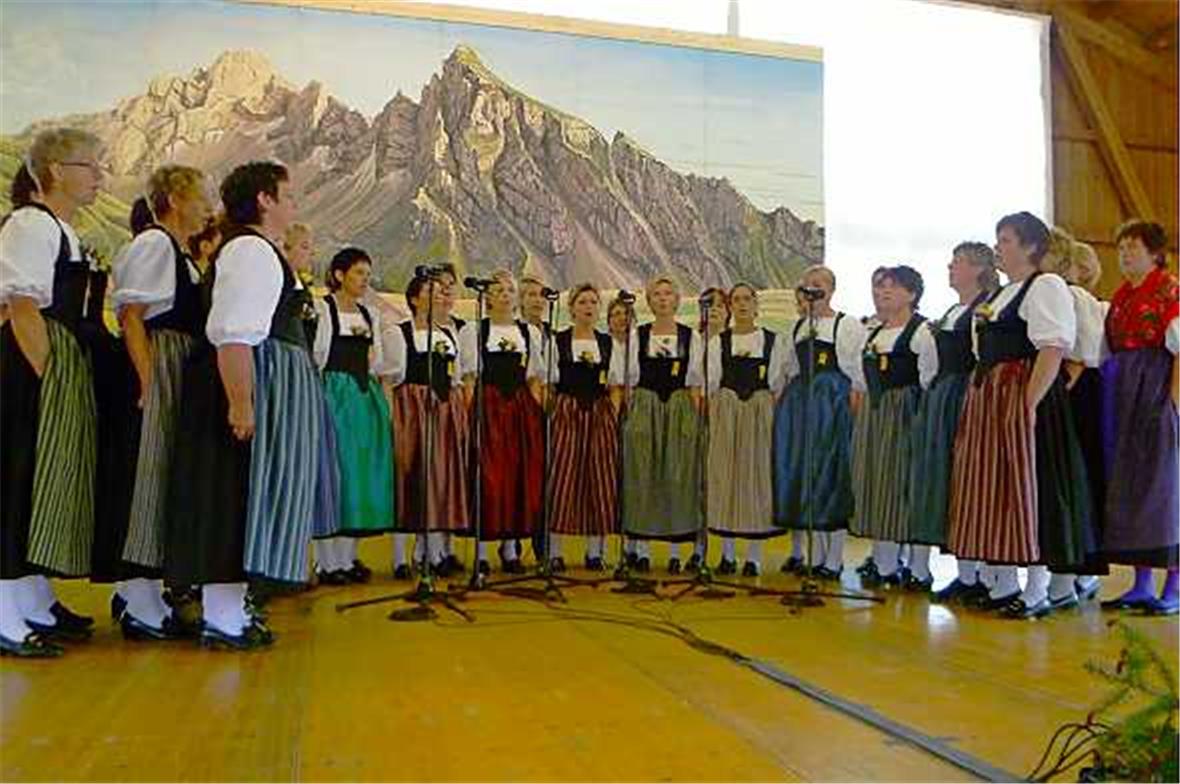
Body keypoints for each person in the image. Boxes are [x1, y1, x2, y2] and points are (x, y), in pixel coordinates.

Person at [165, 161, 321, 650]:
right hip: (250, 384)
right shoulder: (252, 251)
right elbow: (234, 334)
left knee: (241, 496)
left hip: (260, 383)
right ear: (264, 200)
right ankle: (224, 616)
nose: (294, 203)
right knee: (234, 495)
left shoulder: (256, 251)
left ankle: (230, 610)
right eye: (287, 195)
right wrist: (241, 404)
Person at [947, 211, 1096, 620]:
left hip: (1024, 395)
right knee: (996, 489)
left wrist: (1029, 404)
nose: (999, 247)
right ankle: (1005, 583)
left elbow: (1052, 349)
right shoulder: (999, 295)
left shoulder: (1044, 286)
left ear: (1031, 246)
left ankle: (1038, 590)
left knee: (1031, 488)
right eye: (998, 239)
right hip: (991, 396)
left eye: (1007, 240)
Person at [0, 128, 105, 656]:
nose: (99, 176)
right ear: (57, 171)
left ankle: (31, 598)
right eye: (90, 166)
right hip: (27, 363)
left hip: (49, 357)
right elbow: (21, 305)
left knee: (38, 479)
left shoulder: (60, 230)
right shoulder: (29, 224)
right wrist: (48, 375)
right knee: (15, 478)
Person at [107, 166, 211, 638]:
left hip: (176, 363)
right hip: (161, 360)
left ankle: (144, 593)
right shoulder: (154, 244)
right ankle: (137, 595)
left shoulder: (179, 252)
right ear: (173, 198)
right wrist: (149, 381)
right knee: (148, 472)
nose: (207, 206)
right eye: (200, 197)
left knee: (162, 472)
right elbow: (131, 316)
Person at [1100, 220, 1178, 616]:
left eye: (1133, 246)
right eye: (1122, 247)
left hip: (1157, 392)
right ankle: (1141, 583)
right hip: (1125, 393)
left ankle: (1174, 586)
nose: (1126, 253)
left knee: (1165, 487)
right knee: (1133, 486)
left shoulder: (1170, 290)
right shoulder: (1121, 296)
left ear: (1154, 252)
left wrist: (1172, 401)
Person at [773, 265, 864, 578]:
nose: (813, 287)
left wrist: (850, 414)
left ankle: (835, 559)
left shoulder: (846, 325)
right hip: (802, 408)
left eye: (819, 283)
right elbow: (787, 371)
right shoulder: (797, 328)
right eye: (808, 283)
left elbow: (856, 377)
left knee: (831, 477)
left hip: (832, 407)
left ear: (832, 288)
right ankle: (817, 557)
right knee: (807, 477)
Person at [849, 265, 937, 589]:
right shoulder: (870, 332)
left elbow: (929, 378)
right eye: (880, 287)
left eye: (892, 287)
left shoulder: (922, 332)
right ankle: (885, 563)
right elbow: (860, 380)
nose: (883, 292)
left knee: (908, 486)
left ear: (912, 294)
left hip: (906, 415)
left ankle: (919, 568)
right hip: (875, 415)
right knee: (877, 484)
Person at [311, 248, 395, 584]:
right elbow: (317, 356)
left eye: (368, 274)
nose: (365, 280)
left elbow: (376, 361)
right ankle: (327, 563)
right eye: (359, 272)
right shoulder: (323, 309)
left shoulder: (369, 314)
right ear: (339, 274)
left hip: (363, 396)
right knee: (336, 472)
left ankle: (348, 558)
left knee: (361, 474)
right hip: (335, 394)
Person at [384, 271, 470, 578]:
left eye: (441, 293)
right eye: (431, 293)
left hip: (445, 409)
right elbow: (391, 380)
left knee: (440, 479)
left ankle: (432, 553)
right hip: (414, 409)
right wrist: (393, 418)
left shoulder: (449, 334)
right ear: (414, 299)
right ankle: (400, 558)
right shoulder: (399, 333)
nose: (439, 298)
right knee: (411, 477)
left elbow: (457, 378)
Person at [459, 270, 544, 574]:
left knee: (517, 476)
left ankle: (510, 549)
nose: (505, 295)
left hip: (520, 409)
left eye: (510, 290)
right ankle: (482, 551)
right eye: (498, 290)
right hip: (489, 407)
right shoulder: (474, 331)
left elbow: (534, 378)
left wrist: (535, 411)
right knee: (489, 477)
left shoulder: (528, 333)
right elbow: (469, 378)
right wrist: (472, 415)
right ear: (487, 297)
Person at [620, 276, 704, 573]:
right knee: (643, 472)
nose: (663, 299)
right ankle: (640, 548)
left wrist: (696, 420)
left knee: (678, 474)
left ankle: (675, 551)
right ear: (649, 300)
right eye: (657, 294)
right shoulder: (637, 335)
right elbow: (629, 380)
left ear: (677, 300)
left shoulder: (691, 336)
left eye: (669, 293)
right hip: (645, 405)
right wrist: (631, 416)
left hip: (679, 407)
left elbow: (695, 383)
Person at [546, 283, 630, 571]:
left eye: (593, 302)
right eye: (582, 302)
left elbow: (617, 385)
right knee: (562, 478)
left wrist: (611, 414)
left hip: (599, 413)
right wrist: (556, 413)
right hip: (568, 413)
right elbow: (549, 384)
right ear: (571, 309)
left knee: (600, 480)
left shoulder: (609, 344)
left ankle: (595, 551)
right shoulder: (557, 341)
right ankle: (554, 551)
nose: (589, 306)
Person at [705, 283, 786, 575]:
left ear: (756, 304)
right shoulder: (718, 342)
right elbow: (712, 381)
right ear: (729, 306)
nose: (741, 304)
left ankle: (753, 557)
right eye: (736, 300)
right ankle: (727, 555)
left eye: (747, 299)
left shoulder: (773, 340)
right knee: (726, 474)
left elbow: (777, 383)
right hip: (727, 409)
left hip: (759, 411)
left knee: (757, 477)